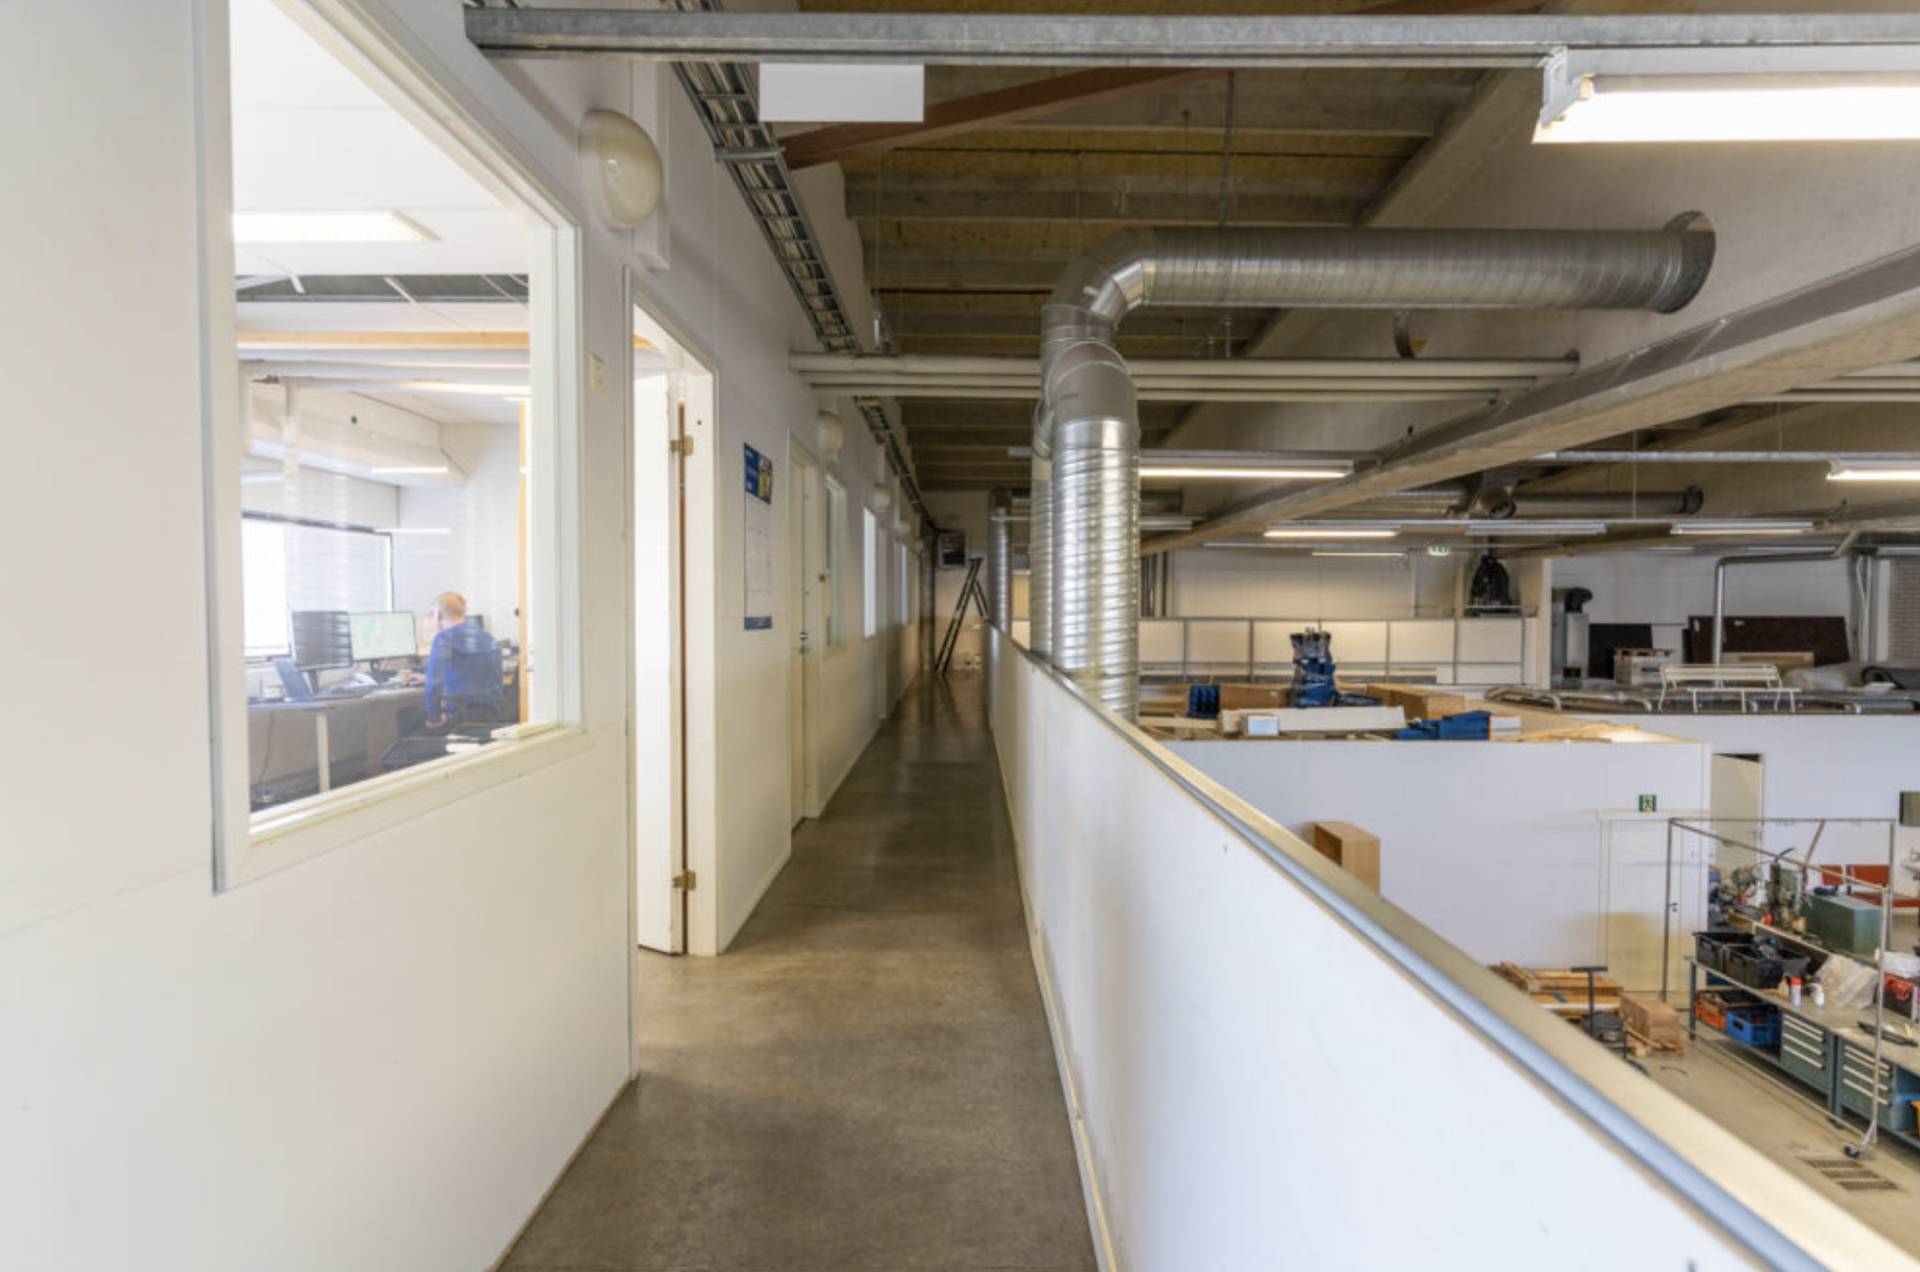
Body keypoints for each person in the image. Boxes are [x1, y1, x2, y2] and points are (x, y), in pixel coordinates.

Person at [423, 591, 504, 727]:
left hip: (461, 718)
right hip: (492, 715)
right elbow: (472, 672)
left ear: (438, 615)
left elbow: (433, 686)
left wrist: (434, 718)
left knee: (408, 717)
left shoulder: (444, 637)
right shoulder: (487, 636)